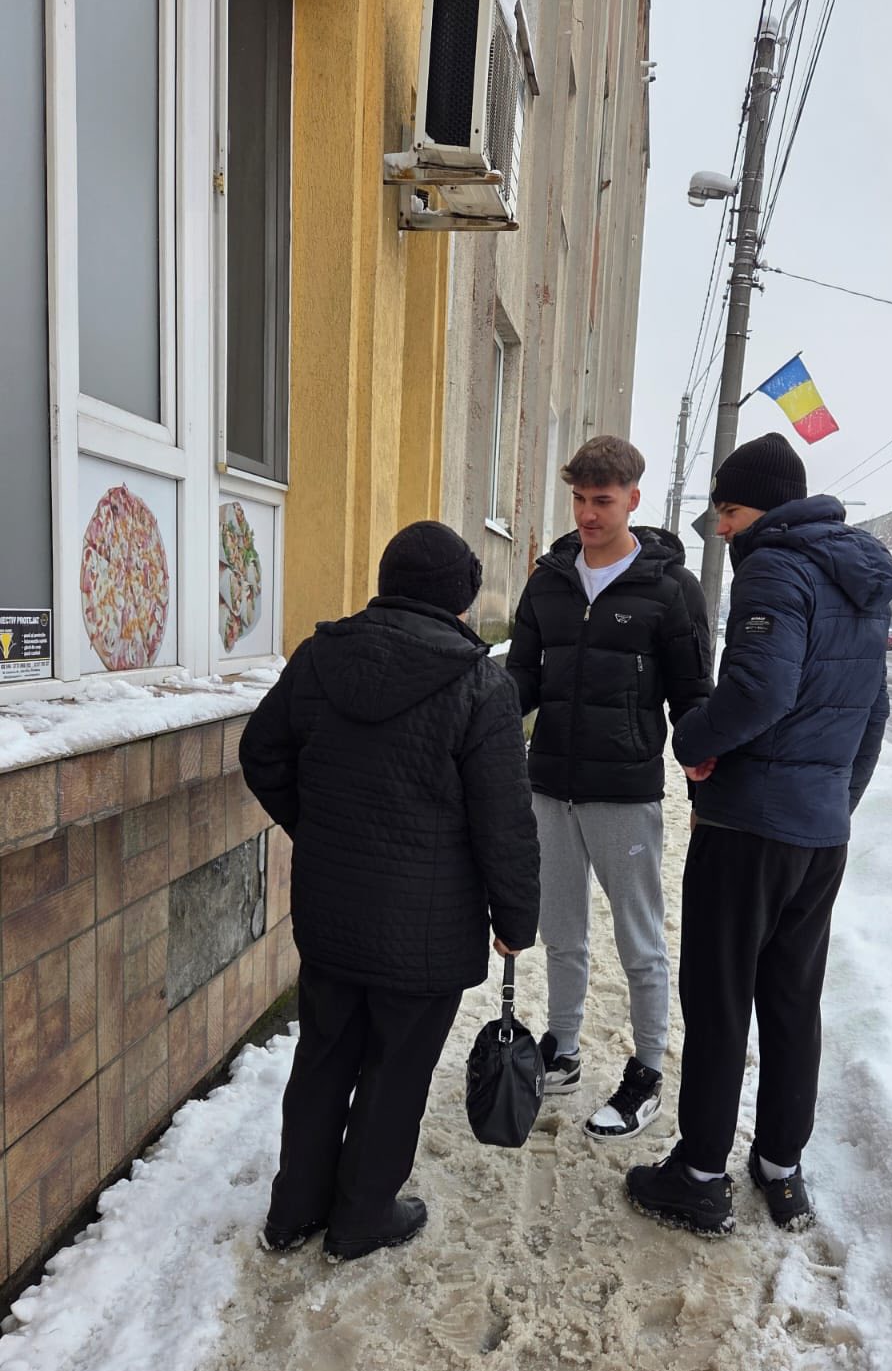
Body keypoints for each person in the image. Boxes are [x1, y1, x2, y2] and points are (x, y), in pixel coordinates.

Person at [239, 522, 539, 1262]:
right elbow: (504, 821)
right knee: (396, 1069)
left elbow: (262, 752)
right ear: (462, 599)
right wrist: (516, 917)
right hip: (425, 932)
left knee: (323, 1057)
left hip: (333, 913)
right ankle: (362, 1215)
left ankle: (294, 1208)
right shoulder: (481, 686)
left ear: (387, 582)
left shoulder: (319, 659)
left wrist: (318, 829)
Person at [625, 432, 892, 1235]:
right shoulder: (858, 579)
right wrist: (834, 804)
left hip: (748, 831)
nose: (721, 527)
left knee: (718, 1000)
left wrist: (691, 740)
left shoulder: (777, 565)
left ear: (768, 509)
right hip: (818, 837)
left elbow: (758, 692)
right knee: (791, 1001)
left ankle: (700, 1175)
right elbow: (873, 715)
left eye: (731, 511)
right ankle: (781, 1169)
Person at [507, 435, 711, 1139]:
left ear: (632, 499)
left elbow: (693, 696)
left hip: (624, 793)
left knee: (639, 939)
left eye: (602, 500)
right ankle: (562, 1051)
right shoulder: (548, 581)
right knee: (560, 931)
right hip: (549, 786)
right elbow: (522, 679)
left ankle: (647, 1070)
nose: (588, 515)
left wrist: (703, 775)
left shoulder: (670, 589)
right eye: (579, 499)